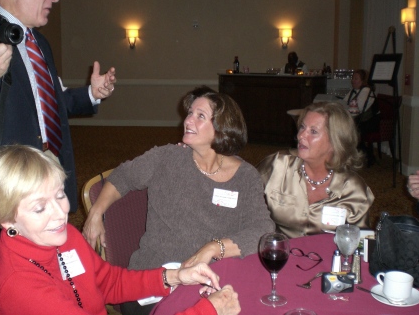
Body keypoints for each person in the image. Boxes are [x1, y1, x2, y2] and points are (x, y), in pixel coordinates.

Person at [0, 0, 115, 312]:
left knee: (53, 284)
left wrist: (92, 94)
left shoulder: (39, 43)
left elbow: (50, 102)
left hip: (43, 197)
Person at [0, 145, 241, 315]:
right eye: (39, 208)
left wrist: (176, 276)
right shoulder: (18, 285)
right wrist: (207, 311)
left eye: (59, 195)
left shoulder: (63, 236)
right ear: (6, 220)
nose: (61, 213)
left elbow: (108, 283)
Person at [83, 86, 275, 315]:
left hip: (215, 278)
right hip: (155, 279)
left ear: (222, 129)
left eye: (200, 116)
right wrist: (96, 213)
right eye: (190, 113)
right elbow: (123, 177)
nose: (188, 120)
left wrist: (214, 248)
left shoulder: (246, 176)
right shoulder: (167, 158)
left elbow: (263, 229)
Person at [257, 102, 374, 238]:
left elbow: (360, 242)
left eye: (313, 131)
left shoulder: (353, 190)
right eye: (302, 127)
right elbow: (243, 201)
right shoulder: (277, 166)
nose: (301, 136)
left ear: (335, 142)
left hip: (328, 258)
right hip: (280, 255)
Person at [343, 69, 380, 165]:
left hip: (371, 121)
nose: (352, 80)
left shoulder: (366, 91)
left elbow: (357, 110)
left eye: (356, 78)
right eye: (353, 78)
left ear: (363, 81)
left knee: (353, 130)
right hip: (360, 119)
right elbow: (344, 103)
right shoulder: (353, 90)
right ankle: (361, 153)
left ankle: (365, 154)